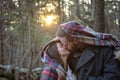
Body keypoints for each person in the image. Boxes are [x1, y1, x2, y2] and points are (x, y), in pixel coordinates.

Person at [53, 21, 120, 80]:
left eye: (66, 44)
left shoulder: (105, 50)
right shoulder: (70, 54)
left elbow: (114, 77)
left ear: (75, 40)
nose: (64, 47)